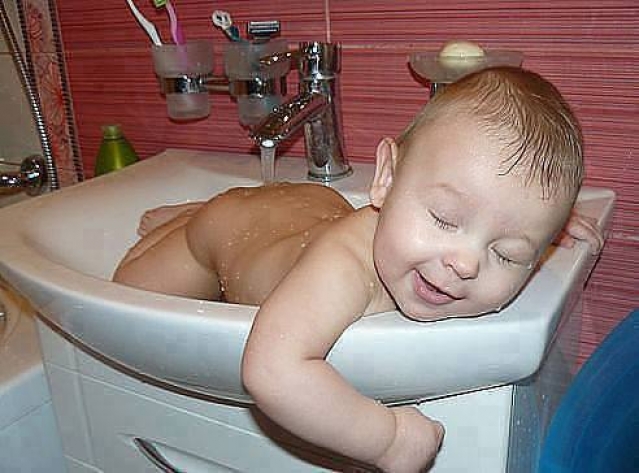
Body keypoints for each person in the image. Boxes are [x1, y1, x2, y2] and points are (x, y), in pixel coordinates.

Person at [113, 66, 604, 472]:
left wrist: (542, 230)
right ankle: (192, 214)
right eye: (444, 219)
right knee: (128, 287)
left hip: (310, 210)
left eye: (507, 253)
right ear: (385, 178)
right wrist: (387, 439)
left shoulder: (447, 239)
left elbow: (497, 210)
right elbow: (271, 370)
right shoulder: (343, 267)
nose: (465, 262)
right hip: (227, 235)